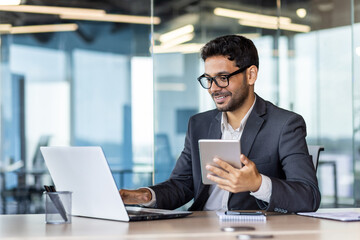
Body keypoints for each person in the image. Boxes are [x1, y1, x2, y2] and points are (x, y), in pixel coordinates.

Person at [120, 35, 321, 213]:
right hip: (200, 228)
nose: (213, 89)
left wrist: (258, 184)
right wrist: (145, 196)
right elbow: (182, 185)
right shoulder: (198, 124)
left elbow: (308, 196)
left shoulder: (284, 124)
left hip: (251, 231)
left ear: (250, 75)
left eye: (223, 78)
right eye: (209, 79)